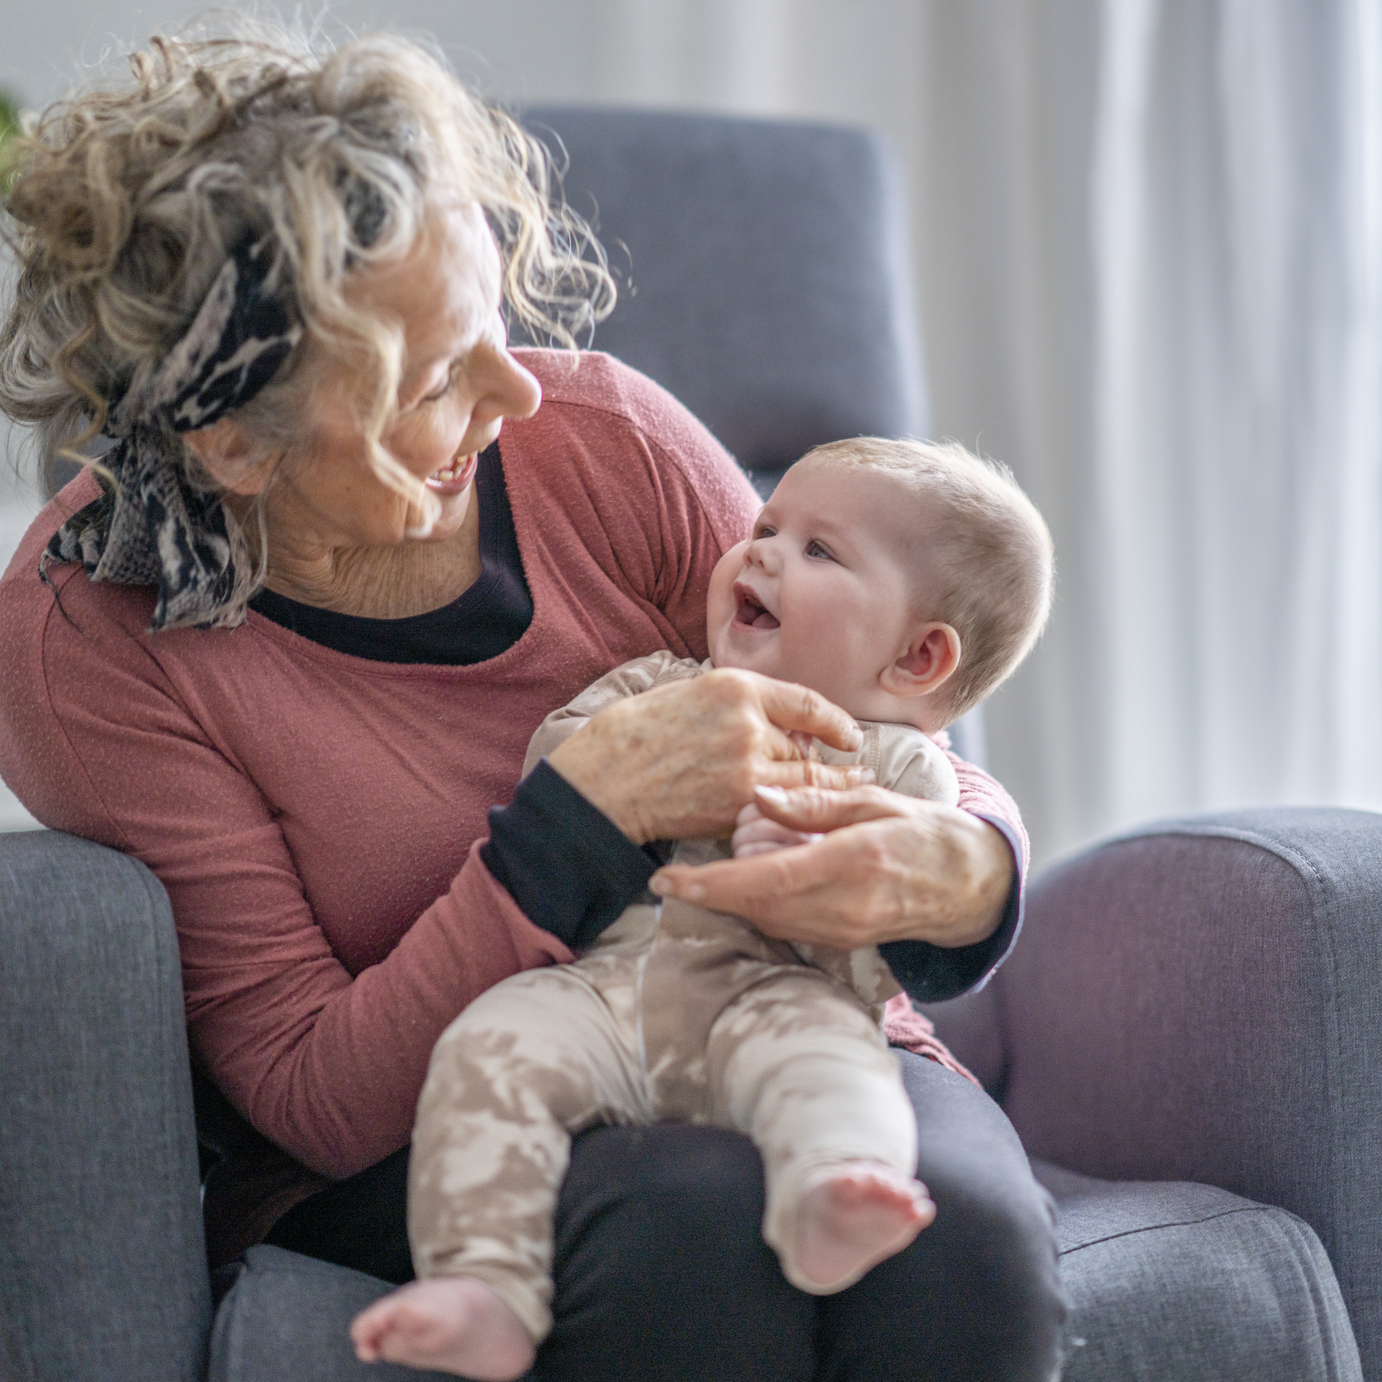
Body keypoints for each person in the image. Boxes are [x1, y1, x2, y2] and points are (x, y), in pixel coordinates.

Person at [0, 15, 1066, 1382]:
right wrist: (578, 818)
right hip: (447, 1116)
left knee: (958, 1231)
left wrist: (965, 864)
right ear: (233, 446)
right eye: (437, 378)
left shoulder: (604, 434)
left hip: (784, 1020)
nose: (519, 390)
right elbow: (313, 1093)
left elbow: (889, 736)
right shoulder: (91, 640)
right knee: (690, 1224)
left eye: (493, 318)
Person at [349, 438, 1053, 1378]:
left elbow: (894, 932)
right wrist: (628, 768)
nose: (758, 551)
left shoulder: (900, 771)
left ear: (918, 657)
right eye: (765, 527)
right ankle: (485, 1283)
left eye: (818, 551)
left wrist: (818, 863)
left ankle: (832, 1195)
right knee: (486, 1051)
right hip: (599, 993)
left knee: (838, 1072)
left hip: (777, 998)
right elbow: (554, 768)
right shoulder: (659, 684)